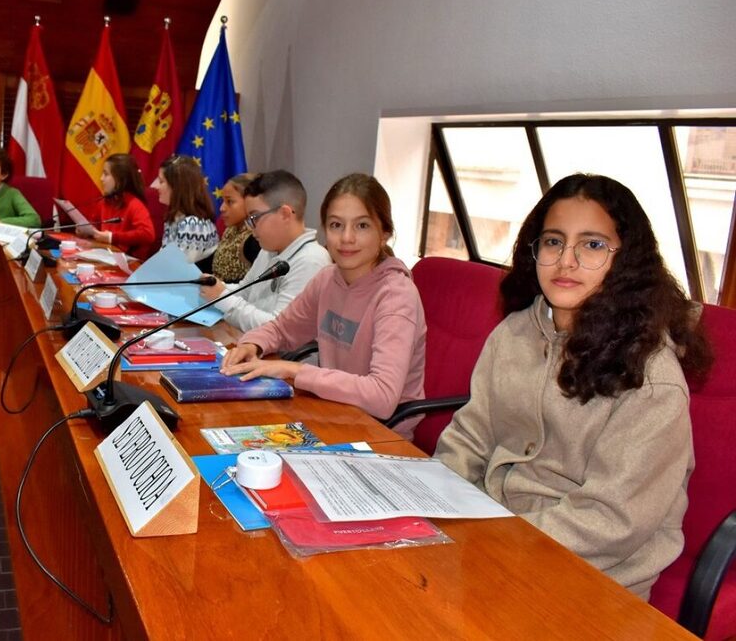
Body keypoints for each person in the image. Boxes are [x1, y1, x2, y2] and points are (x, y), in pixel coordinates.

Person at [433, 173, 712, 601]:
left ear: (626, 261)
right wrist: (434, 507)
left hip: (592, 580)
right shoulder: (514, 333)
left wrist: (491, 541)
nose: (567, 261)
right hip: (492, 542)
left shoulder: (651, 378)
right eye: (553, 242)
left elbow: (609, 521)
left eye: (593, 245)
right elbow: (469, 440)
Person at [220, 174, 426, 436]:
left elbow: (382, 397)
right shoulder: (327, 279)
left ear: (384, 233)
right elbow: (283, 329)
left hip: (381, 434)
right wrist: (253, 344)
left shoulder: (396, 296)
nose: (347, 238)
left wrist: (295, 370)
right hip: (333, 413)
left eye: (362, 226)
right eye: (336, 225)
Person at [201, 170, 332, 332]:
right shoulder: (269, 250)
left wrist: (221, 298)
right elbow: (244, 291)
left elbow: (279, 328)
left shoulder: (311, 260)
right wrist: (215, 287)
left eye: (254, 218)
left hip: (280, 355)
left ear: (285, 214)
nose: (250, 227)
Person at [81, 153, 156, 260]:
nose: (101, 179)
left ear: (120, 180)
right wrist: (86, 231)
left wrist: (112, 237)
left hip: (127, 263)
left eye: (106, 174)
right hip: (104, 255)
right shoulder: (104, 202)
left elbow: (148, 234)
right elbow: (95, 227)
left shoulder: (134, 204)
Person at [152, 155, 219, 264]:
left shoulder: (193, 225)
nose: (156, 186)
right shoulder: (175, 217)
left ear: (177, 187)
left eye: (161, 181)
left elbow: (177, 269)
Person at [212, 173, 262, 282]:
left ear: (250, 201)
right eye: (223, 201)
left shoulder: (255, 239)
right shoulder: (230, 231)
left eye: (229, 201)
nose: (222, 208)